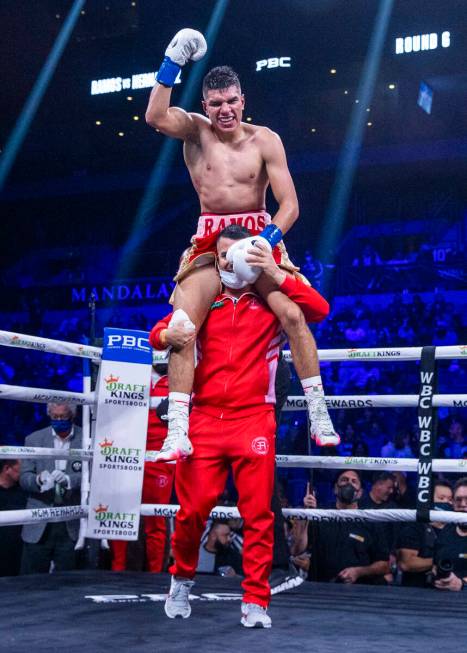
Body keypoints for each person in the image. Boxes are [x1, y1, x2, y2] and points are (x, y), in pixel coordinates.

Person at [145, 28, 339, 461]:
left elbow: (289, 205)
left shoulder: (265, 139)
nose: (225, 109)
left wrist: (266, 243)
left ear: (243, 99)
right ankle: (178, 429)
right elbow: (155, 117)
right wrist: (171, 62)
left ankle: (318, 411)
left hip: (259, 234)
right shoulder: (195, 132)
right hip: (210, 238)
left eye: (231, 100)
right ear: (205, 106)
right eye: (216, 103)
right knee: (182, 325)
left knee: (292, 314)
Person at [149, 225, 331, 627]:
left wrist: (277, 272)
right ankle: (180, 580)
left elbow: (318, 310)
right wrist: (166, 332)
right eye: (222, 254)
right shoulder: (203, 298)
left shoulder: (273, 300)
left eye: (237, 254)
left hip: (253, 418)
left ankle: (256, 600)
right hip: (205, 419)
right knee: (192, 511)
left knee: (258, 513)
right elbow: (159, 332)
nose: (229, 261)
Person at [110, 363, 175, 573]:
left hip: (161, 456)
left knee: (156, 520)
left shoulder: (181, 375)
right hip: (128, 452)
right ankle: (117, 569)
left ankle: (156, 575)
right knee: (120, 515)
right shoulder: (133, 373)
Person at [292, 470, 390, 584]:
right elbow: (297, 550)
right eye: (344, 480)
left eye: (354, 481)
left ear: (360, 492)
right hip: (322, 587)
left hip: (360, 590)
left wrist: (359, 571)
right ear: (335, 488)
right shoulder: (320, 514)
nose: (349, 484)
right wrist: (305, 513)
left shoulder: (371, 519)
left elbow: (384, 565)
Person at [19, 402, 82, 573]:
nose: (59, 420)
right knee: (30, 582)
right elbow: (24, 478)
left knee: (68, 585)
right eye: (55, 417)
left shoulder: (86, 439)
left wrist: (70, 480)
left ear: (72, 415)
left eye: (63, 417)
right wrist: (38, 479)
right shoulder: (34, 439)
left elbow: (95, 475)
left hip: (70, 522)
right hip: (39, 521)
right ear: (49, 415)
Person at [396, 480, 453, 587]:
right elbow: (406, 563)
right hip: (416, 591)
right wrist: (439, 562)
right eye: (441, 498)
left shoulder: (454, 528)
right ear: (429, 501)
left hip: (449, 591)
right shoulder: (415, 527)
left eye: (450, 500)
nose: (447, 503)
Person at [433, 477, 467, 592]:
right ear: (452, 502)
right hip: (441, 598)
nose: (463, 505)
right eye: (459, 500)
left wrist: (462, 583)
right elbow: (436, 562)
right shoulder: (446, 530)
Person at [0, 458, 27, 576]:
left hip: (17, 551)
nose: (24, 471)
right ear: (7, 469)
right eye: (20, 468)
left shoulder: (24, 492)